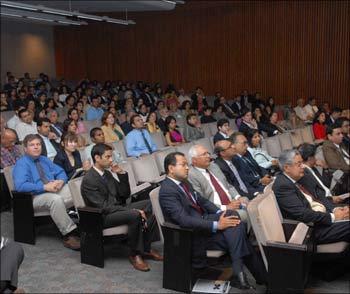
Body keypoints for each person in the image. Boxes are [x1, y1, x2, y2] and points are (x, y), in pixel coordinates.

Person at [159, 152, 267, 289]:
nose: (187, 168)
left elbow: (201, 200)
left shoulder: (183, 182)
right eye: (183, 165)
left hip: (202, 222)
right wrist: (217, 225)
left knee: (232, 217)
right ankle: (255, 276)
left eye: (187, 164)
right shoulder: (167, 191)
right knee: (238, 234)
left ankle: (240, 270)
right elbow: (184, 220)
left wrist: (220, 212)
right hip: (191, 235)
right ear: (171, 168)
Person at [80, 143, 162, 272]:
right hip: (102, 217)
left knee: (151, 203)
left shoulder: (106, 174)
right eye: (108, 157)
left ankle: (145, 248)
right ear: (97, 157)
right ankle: (135, 254)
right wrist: (131, 210)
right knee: (134, 215)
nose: (111, 160)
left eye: (111, 156)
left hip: (117, 209)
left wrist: (122, 173)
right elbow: (103, 207)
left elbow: (124, 194)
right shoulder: (89, 179)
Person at [13, 134, 80, 250]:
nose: (36, 147)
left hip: (52, 190)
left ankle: (89, 222)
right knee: (55, 200)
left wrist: (60, 181)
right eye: (32, 145)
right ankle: (69, 234)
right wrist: (44, 187)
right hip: (32, 198)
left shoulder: (44, 159)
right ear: (25, 148)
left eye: (38, 144)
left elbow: (60, 172)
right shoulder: (21, 164)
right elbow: (21, 186)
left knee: (77, 187)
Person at [272, 149, 349, 245]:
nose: (303, 167)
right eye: (298, 164)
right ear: (287, 168)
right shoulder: (282, 186)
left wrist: (335, 210)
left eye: (302, 163)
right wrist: (333, 217)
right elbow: (303, 214)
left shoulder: (301, 177)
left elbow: (320, 197)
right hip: (314, 229)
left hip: (324, 217)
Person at [187, 145, 249, 221]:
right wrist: (226, 207)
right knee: (245, 214)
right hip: (217, 210)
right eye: (204, 154)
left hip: (232, 201)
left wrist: (237, 197)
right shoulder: (191, 175)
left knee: (247, 202)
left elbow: (228, 185)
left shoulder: (214, 166)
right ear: (194, 160)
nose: (208, 156)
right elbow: (202, 201)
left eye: (208, 153)